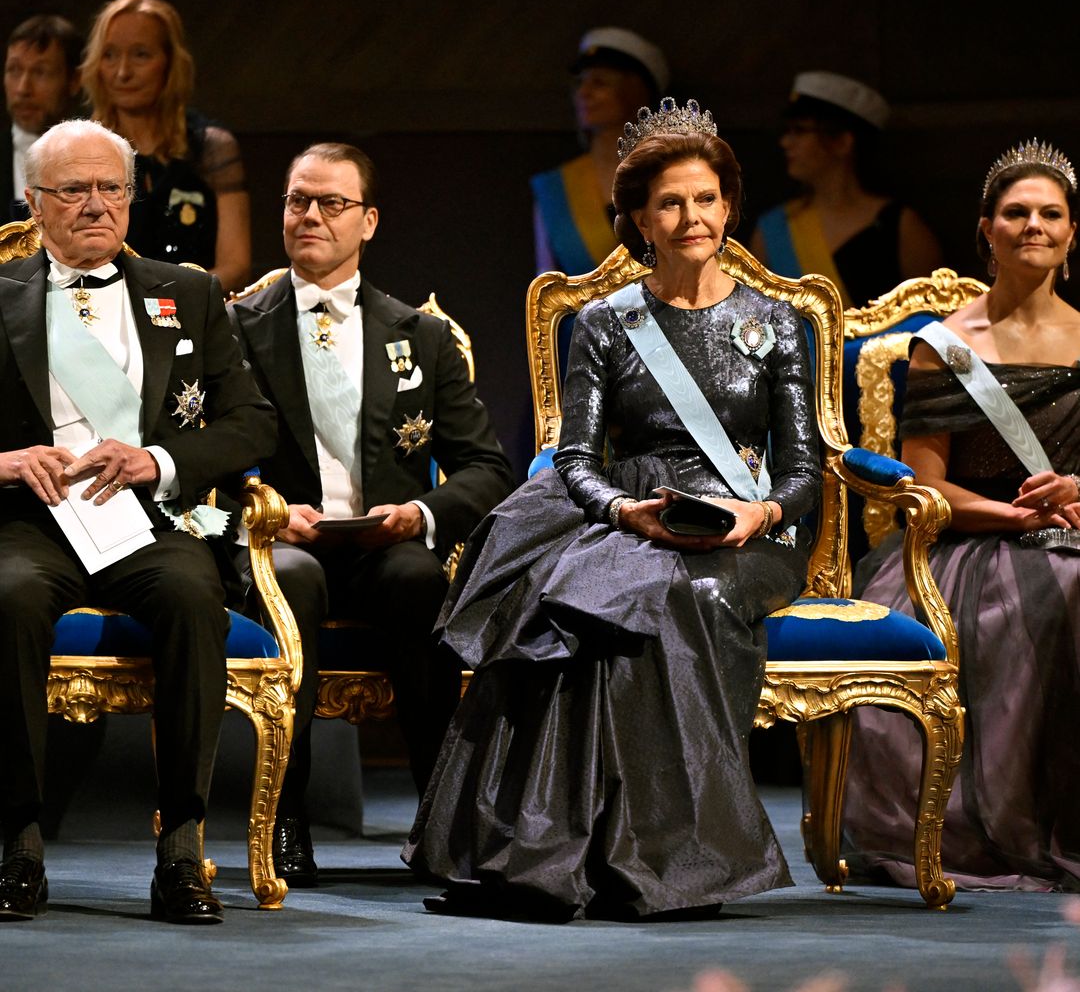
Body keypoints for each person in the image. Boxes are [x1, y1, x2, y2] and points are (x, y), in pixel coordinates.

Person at [403, 99, 821, 921]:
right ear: (637, 217)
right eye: (669, 203)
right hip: (631, 514)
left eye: (705, 199)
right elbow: (575, 461)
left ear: (729, 206)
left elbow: (805, 470)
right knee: (579, 602)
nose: (691, 218)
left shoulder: (776, 321)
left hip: (743, 528)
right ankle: (560, 859)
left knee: (665, 594)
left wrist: (757, 518)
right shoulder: (604, 320)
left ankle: (677, 861)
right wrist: (629, 514)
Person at [0, 119, 275, 923]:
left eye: (110, 188)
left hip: (148, 522)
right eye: (73, 190)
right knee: (8, 600)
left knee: (194, 602)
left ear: (132, 196)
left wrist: (158, 460)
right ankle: (18, 843)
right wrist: (9, 462)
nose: (95, 205)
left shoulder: (188, 292)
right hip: (32, 521)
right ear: (34, 201)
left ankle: (182, 850)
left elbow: (253, 424)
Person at [228, 142, 514, 888]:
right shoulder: (235, 327)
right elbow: (199, 455)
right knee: (292, 580)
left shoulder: (422, 335)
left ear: (370, 221)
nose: (311, 216)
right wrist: (259, 512)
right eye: (298, 201)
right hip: (282, 546)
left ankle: (440, 819)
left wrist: (419, 512)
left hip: (387, 546)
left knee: (419, 580)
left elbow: (487, 468)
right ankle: (283, 823)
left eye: (332, 204)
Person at [842, 139, 1080, 890]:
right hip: (980, 541)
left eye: (1050, 214)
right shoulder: (946, 346)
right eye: (1016, 213)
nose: (1033, 226)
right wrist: (1016, 519)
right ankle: (1009, 825)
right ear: (987, 228)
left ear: (1073, 232)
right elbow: (928, 488)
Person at [81, 0, 251, 294]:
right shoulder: (80, 150)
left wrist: (169, 304)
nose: (122, 72)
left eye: (141, 54)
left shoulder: (212, 148)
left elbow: (235, 265)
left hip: (191, 316)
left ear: (170, 63)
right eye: (109, 55)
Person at [750, 71, 942, 309]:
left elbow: (932, 319)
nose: (785, 142)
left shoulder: (901, 227)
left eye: (799, 130)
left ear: (842, 141)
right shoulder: (774, 229)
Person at [531, 26, 669, 278]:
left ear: (636, 91)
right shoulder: (555, 188)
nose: (584, 93)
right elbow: (545, 280)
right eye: (581, 83)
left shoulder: (671, 173)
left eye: (600, 83)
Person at [2, 15, 83, 220]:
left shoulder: (97, 158)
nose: (23, 89)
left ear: (74, 80)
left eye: (40, 72)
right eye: (14, 70)